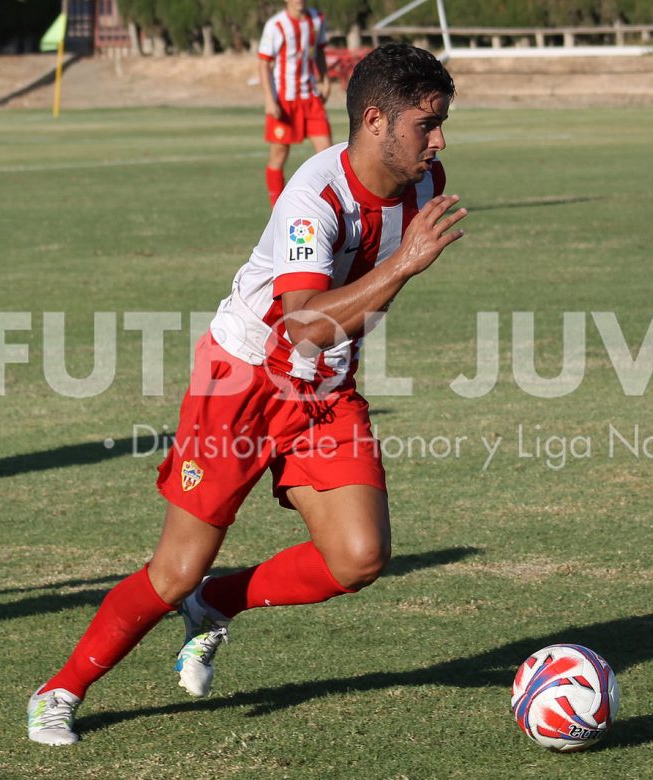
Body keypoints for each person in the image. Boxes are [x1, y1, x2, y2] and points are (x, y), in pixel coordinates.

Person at [26, 42, 465, 746]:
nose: (439, 141)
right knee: (175, 570)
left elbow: (336, 327)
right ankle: (60, 689)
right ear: (376, 120)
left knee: (358, 556)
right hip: (240, 381)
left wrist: (387, 285)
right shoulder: (314, 197)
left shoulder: (424, 179)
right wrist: (405, 264)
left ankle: (216, 604)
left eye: (442, 123)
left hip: (323, 386)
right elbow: (302, 323)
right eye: (427, 124)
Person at [258, 0, 333, 206]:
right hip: (284, 101)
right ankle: (277, 210)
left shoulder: (316, 19)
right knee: (279, 156)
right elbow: (263, 64)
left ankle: (330, 207)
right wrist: (269, 99)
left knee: (327, 155)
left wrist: (325, 80)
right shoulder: (276, 25)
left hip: (310, 98)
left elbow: (319, 52)